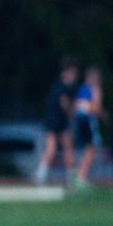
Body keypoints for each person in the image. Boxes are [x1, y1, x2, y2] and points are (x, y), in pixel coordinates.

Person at [36, 58, 80, 186]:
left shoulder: (69, 88)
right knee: (51, 149)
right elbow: (64, 104)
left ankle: (71, 178)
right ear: (64, 73)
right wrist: (73, 112)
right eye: (71, 73)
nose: (73, 76)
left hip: (62, 122)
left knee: (68, 149)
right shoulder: (60, 86)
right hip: (53, 122)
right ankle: (40, 176)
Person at [73, 65, 104, 188]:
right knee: (91, 149)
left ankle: (79, 176)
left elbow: (76, 106)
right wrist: (101, 114)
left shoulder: (81, 89)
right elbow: (97, 108)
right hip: (89, 122)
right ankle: (81, 177)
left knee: (85, 149)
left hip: (79, 121)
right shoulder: (94, 89)